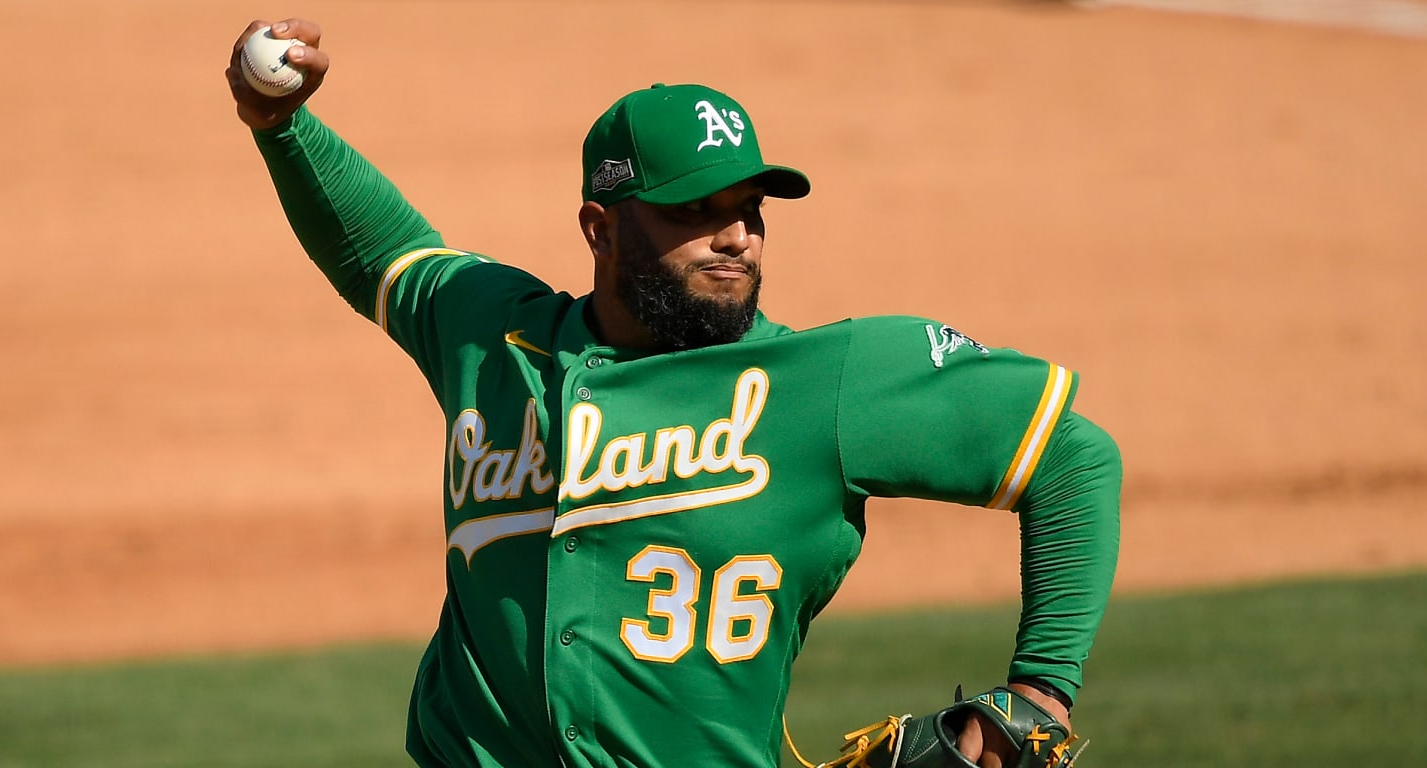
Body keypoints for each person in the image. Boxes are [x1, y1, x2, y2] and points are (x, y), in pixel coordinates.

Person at [225, 18, 1120, 768]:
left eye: (750, 211)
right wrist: (280, 123)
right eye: (694, 213)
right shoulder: (495, 335)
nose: (734, 238)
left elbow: (1074, 458)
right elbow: (384, 253)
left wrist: (1043, 687)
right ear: (599, 227)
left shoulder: (830, 380)